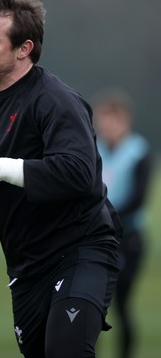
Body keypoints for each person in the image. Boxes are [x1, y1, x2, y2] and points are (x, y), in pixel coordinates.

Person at [0, 0, 122, 358]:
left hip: (81, 251)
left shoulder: (55, 101)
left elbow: (79, 174)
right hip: (26, 268)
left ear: (24, 49)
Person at [93, 90, 152, 358]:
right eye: (102, 121)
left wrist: (106, 213)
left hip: (129, 237)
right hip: (99, 236)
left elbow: (139, 198)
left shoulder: (138, 152)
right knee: (91, 304)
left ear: (124, 120)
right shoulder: (95, 149)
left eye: (111, 120)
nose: (106, 127)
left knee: (122, 305)